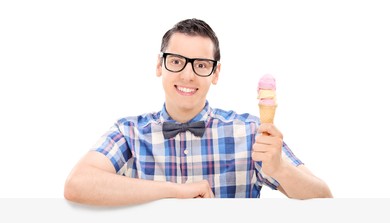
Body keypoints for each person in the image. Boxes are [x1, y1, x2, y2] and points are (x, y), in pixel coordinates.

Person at [64, 18, 332, 206]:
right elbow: (77, 185)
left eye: (201, 65)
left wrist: (280, 168)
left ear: (215, 73)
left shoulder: (250, 132)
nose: (188, 75)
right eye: (177, 61)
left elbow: (323, 199)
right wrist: (176, 193)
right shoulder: (129, 132)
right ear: (160, 65)